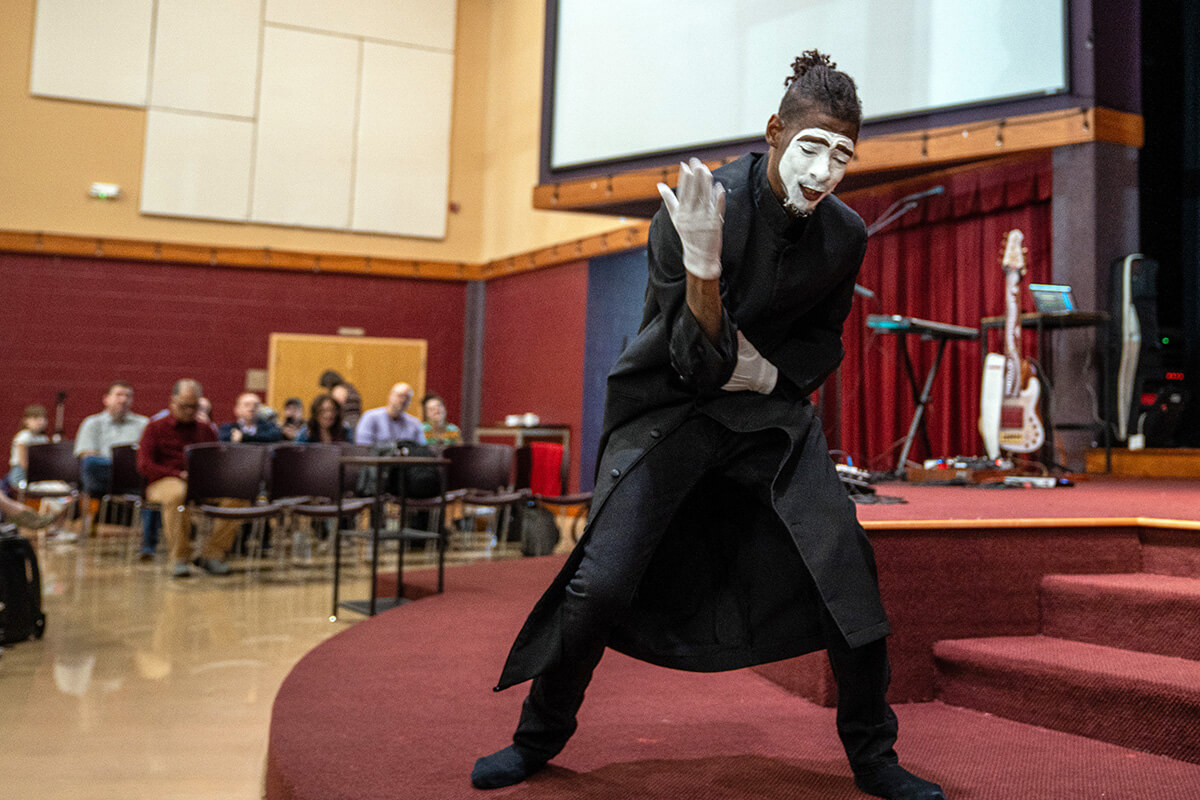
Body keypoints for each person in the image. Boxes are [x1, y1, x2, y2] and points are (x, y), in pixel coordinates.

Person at [472, 52, 945, 800]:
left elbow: (825, 336)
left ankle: (873, 756)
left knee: (846, 567)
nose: (824, 171)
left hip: (770, 418)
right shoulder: (700, 207)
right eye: (812, 148)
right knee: (600, 583)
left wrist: (775, 376)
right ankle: (537, 737)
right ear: (774, 133)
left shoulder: (845, 233)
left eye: (843, 155)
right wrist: (700, 260)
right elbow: (691, 363)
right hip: (675, 413)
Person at [137, 379, 237, 578]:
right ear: (172, 402)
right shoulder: (154, 428)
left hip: (199, 482)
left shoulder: (206, 430)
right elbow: (144, 465)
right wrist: (178, 474)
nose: (190, 411)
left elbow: (214, 461)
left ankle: (212, 554)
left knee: (237, 496)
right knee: (178, 496)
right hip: (163, 481)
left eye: (194, 406)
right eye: (185, 406)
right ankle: (180, 557)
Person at [74, 381, 149, 499]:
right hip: (104, 472)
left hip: (133, 473)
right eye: (119, 395)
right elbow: (85, 453)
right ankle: (96, 510)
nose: (123, 400)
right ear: (106, 399)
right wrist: (114, 465)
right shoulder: (92, 423)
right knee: (90, 463)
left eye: (128, 396)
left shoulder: (144, 423)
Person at [354, 382, 425, 446]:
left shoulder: (415, 423)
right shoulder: (370, 417)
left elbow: (421, 450)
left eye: (407, 397)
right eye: (400, 396)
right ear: (390, 396)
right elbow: (362, 446)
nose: (403, 400)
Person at [6, 404, 49, 491]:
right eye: (35, 418)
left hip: (37, 473)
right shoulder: (24, 436)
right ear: (26, 421)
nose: (40, 421)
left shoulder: (43, 438)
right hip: (21, 473)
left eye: (42, 418)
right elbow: (23, 462)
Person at [218, 393, 283, 444]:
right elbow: (223, 438)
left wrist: (243, 437)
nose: (251, 408)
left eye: (256, 405)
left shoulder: (270, 428)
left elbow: (273, 437)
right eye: (247, 405)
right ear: (237, 410)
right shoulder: (227, 428)